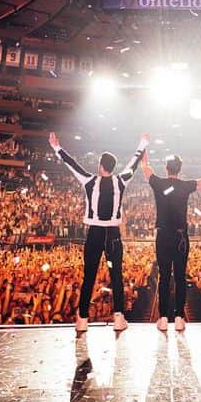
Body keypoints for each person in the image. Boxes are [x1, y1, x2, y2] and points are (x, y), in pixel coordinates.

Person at [50, 131, 149, 333]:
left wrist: (57, 147)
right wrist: (143, 143)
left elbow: (72, 165)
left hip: (94, 235)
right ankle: (119, 318)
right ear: (112, 168)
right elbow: (133, 164)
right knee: (116, 275)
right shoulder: (121, 181)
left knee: (89, 276)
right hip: (112, 236)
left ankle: (83, 319)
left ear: (100, 166)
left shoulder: (89, 181)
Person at [141, 151, 201, 332]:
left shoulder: (159, 183)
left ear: (166, 168)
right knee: (179, 277)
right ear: (180, 169)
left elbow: (146, 169)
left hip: (162, 236)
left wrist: (144, 155)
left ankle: (162, 319)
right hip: (180, 238)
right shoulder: (185, 186)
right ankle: (178, 318)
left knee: (163, 277)